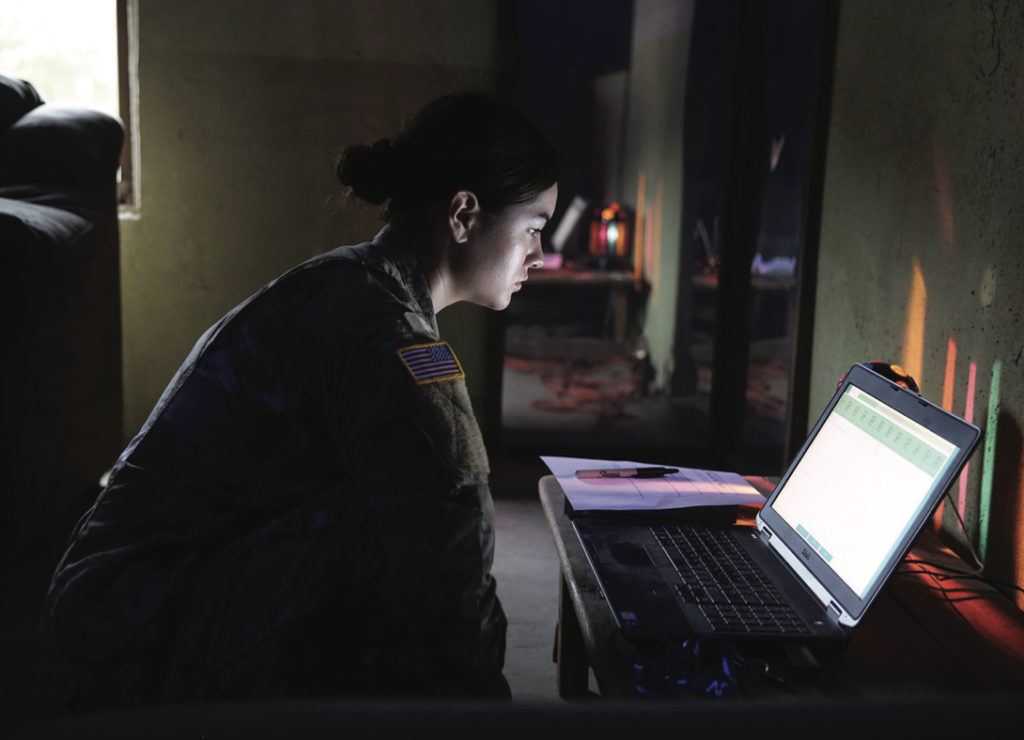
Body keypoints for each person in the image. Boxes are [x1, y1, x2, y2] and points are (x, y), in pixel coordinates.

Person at [41, 92, 560, 709]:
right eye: (533, 228)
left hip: (111, 606)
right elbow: (455, 543)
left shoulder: (353, 283)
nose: (539, 255)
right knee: (404, 529)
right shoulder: (385, 332)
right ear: (464, 215)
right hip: (129, 634)